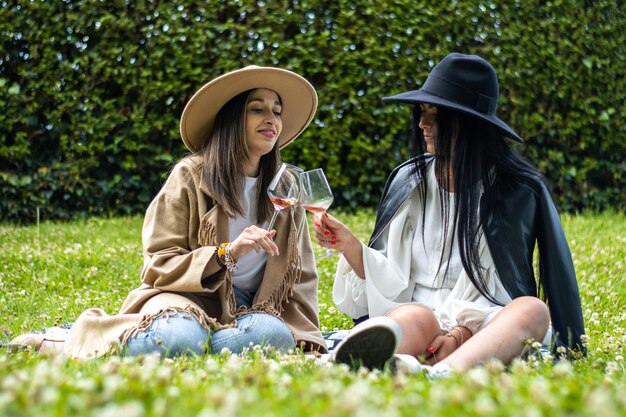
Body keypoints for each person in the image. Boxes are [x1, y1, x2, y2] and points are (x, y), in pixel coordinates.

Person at [10, 65, 326, 358]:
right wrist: (225, 253)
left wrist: (303, 332)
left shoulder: (284, 190)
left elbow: (301, 277)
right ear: (231, 118)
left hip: (253, 310)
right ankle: (71, 341)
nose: (271, 119)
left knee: (274, 335)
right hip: (187, 301)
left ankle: (199, 344)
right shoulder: (190, 176)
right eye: (257, 109)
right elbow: (159, 262)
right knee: (178, 338)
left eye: (277, 111)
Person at [313, 53, 585, 377]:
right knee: (415, 316)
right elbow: (391, 278)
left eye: (435, 116)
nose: (422, 124)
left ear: (469, 124)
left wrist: (460, 334)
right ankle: (354, 359)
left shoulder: (518, 191)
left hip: (485, 324)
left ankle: (438, 373)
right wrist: (351, 247)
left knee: (533, 311)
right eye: (422, 113)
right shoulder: (408, 181)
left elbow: (548, 275)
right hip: (420, 318)